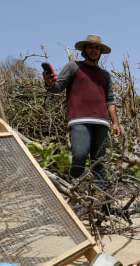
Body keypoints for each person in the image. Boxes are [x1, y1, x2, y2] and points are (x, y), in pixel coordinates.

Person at [43, 34, 120, 187]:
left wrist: (115, 123)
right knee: (80, 155)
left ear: (100, 52)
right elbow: (58, 87)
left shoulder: (105, 75)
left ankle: (99, 197)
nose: (94, 50)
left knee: (98, 161)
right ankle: (74, 190)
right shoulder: (73, 67)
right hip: (79, 119)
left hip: (101, 121)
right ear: (84, 50)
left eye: (97, 47)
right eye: (90, 47)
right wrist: (48, 82)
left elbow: (110, 100)